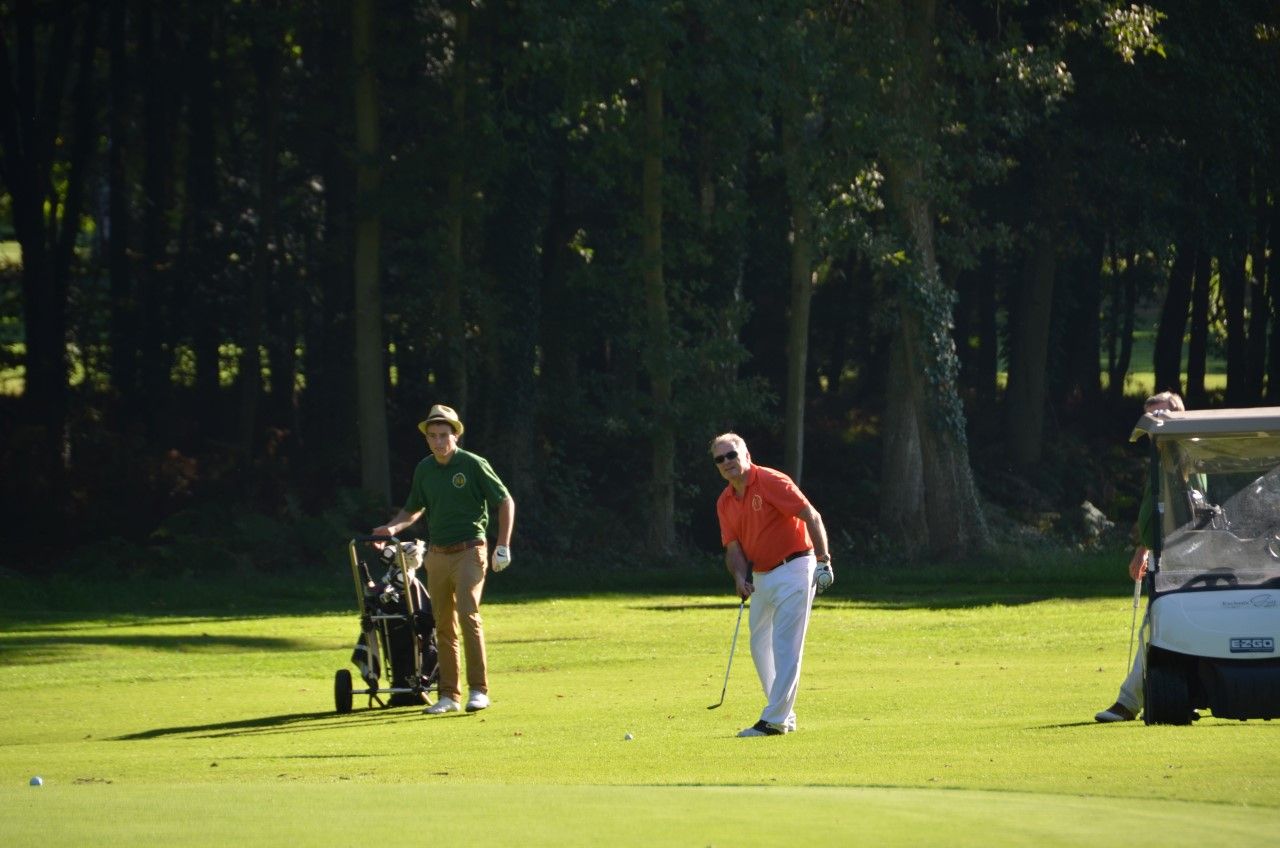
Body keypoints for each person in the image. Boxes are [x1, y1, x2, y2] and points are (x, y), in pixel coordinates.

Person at [374, 404, 515, 715]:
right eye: (432, 436)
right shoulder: (424, 469)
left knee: (468, 615)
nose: (438, 442)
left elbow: (504, 500)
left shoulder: (473, 464)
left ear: (455, 435)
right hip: (437, 555)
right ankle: (449, 695)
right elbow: (414, 507)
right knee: (442, 625)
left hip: (470, 550)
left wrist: (502, 545)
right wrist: (392, 528)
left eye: (444, 435)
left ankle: (479, 690)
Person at [710, 432, 834, 737]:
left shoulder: (770, 481)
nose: (727, 462)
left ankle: (774, 721)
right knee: (758, 643)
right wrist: (739, 577)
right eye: (720, 459)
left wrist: (823, 560)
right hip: (762, 576)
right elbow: (734, 549)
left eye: (731, 455)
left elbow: (812, 516)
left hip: (796, 567)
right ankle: (782, 711)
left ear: (746, 454)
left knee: (785, 646)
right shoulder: (725, 501)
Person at [1095, 390, 1185, 723]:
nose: (1154, 429)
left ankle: (1129, 702)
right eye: (1150, 422)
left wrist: (1148, 547)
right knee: (1156, 629)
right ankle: (1142, 699)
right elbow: (1152, 513)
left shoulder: (1183, 457)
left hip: (1179, 559)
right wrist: (1143, 547)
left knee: (1154, 629)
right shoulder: (1160, 457)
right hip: (1164, 556)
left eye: (1160, 418)